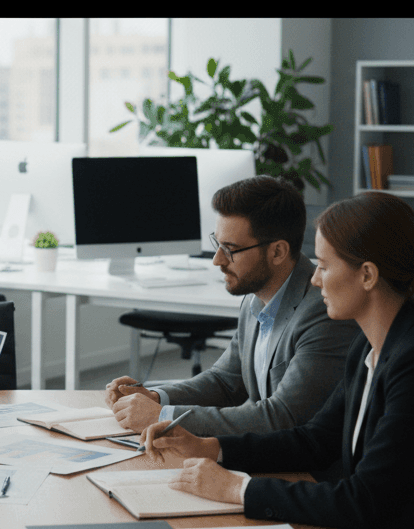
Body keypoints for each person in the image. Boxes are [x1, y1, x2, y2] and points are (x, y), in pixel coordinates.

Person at [142, 192, 414, 529]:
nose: (315, 279)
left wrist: (237, 488)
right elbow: (315, 440)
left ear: (367, 275)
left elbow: (362, 500)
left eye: (324, 266)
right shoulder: (370, 345)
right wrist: (212, 447)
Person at [104, 175, 359, 436]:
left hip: (305, 468)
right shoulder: (255, 295)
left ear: (277, 252)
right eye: (218, 243)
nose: (217, 260)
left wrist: (162, 417)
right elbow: (225, 382)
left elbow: (284, 417)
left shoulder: (322, 311)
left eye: (230, 249)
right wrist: (156, 397)